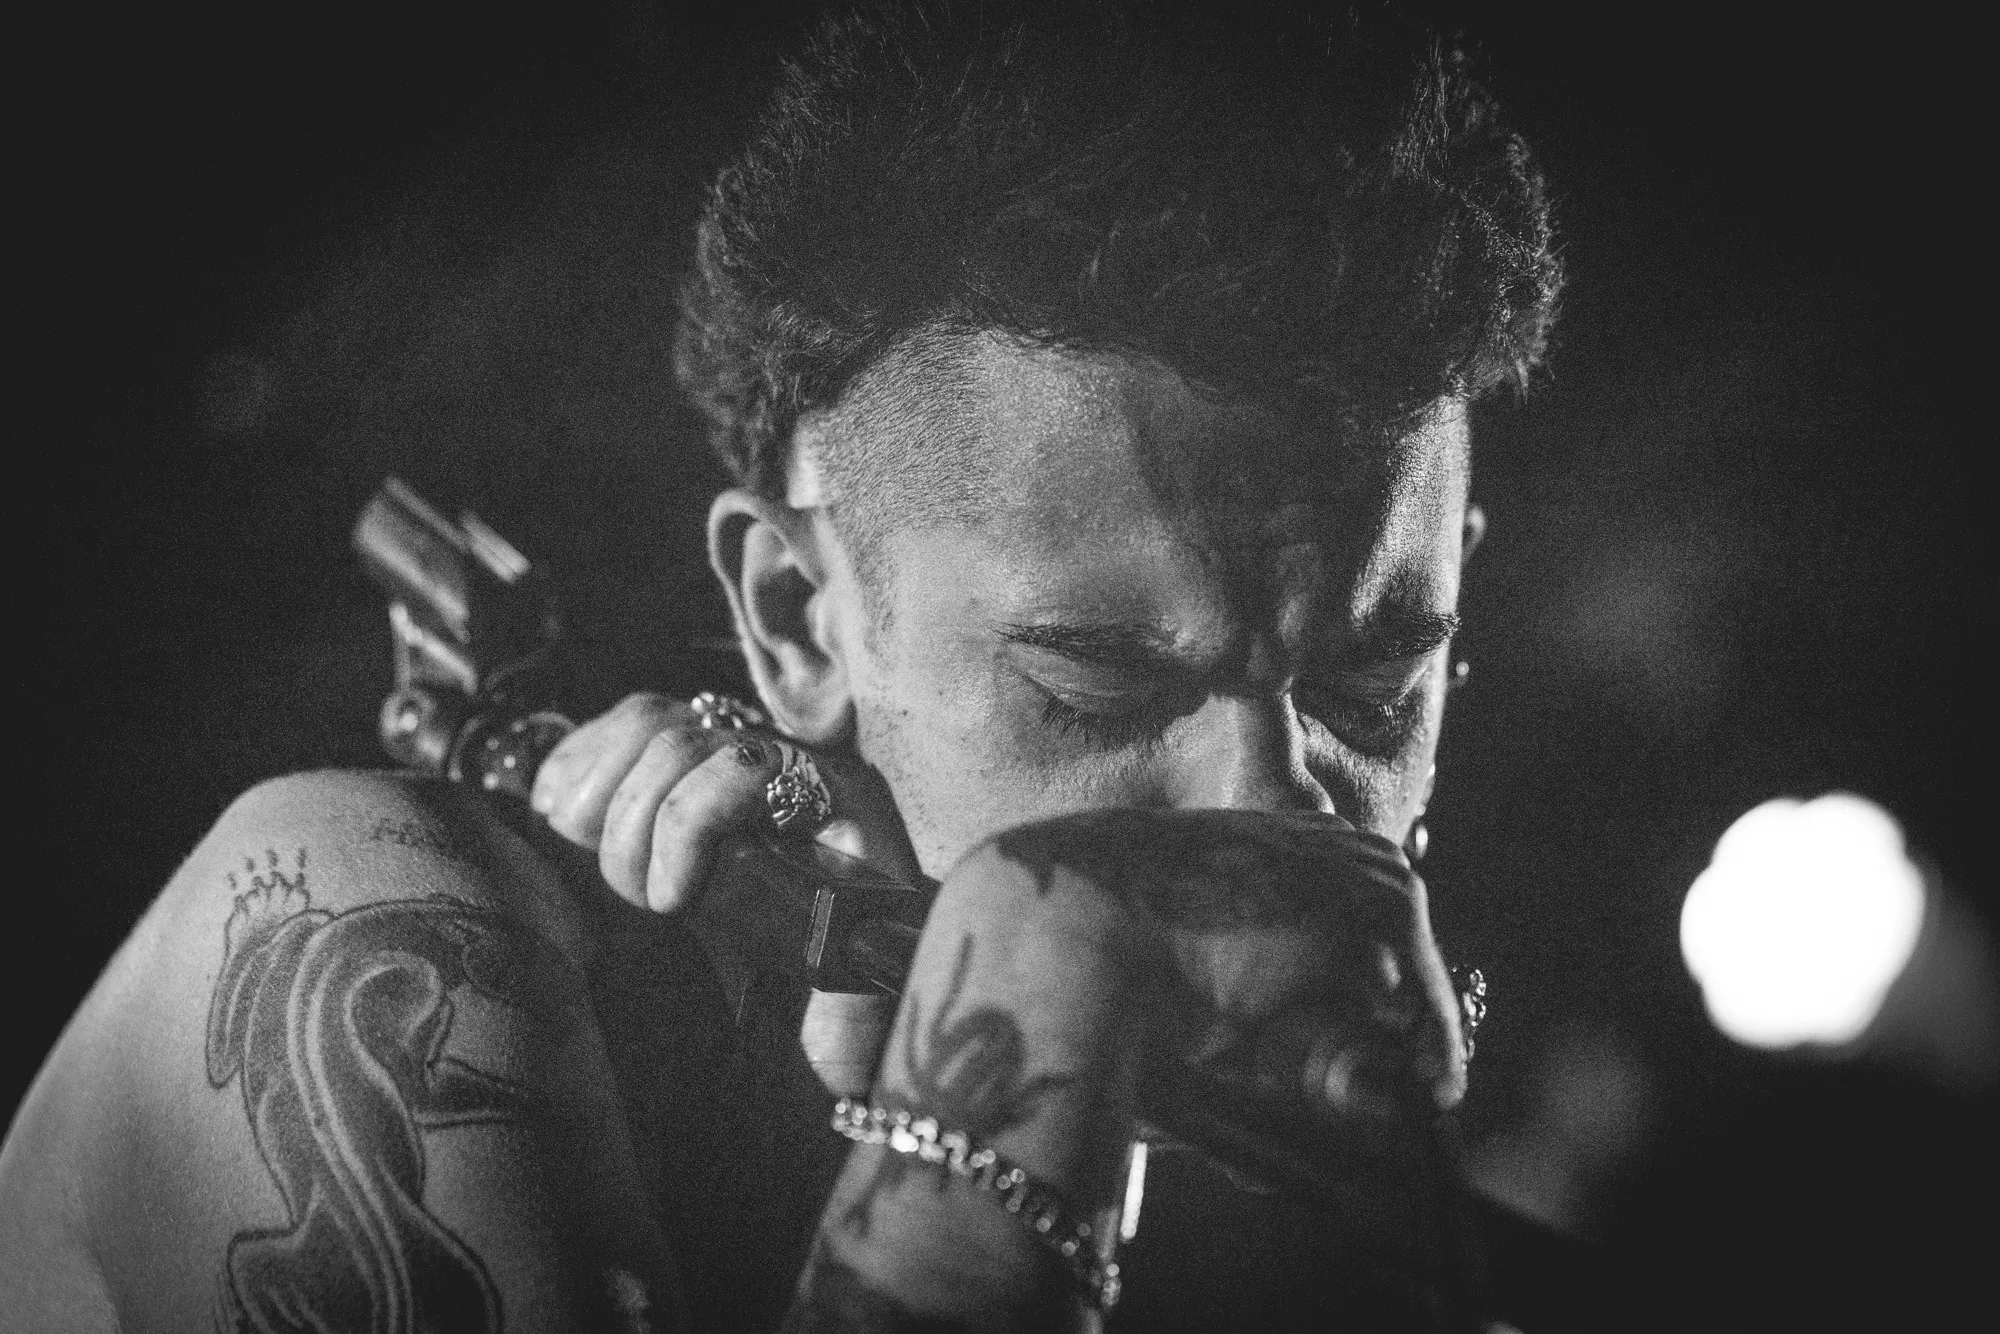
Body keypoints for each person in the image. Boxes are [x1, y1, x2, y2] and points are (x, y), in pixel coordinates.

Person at [0, 2, 1565, 1329]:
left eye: (1371, 690)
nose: (1277, 806)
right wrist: (1034, 973)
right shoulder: (369, 918)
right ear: (800, 615)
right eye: (1098, 681)